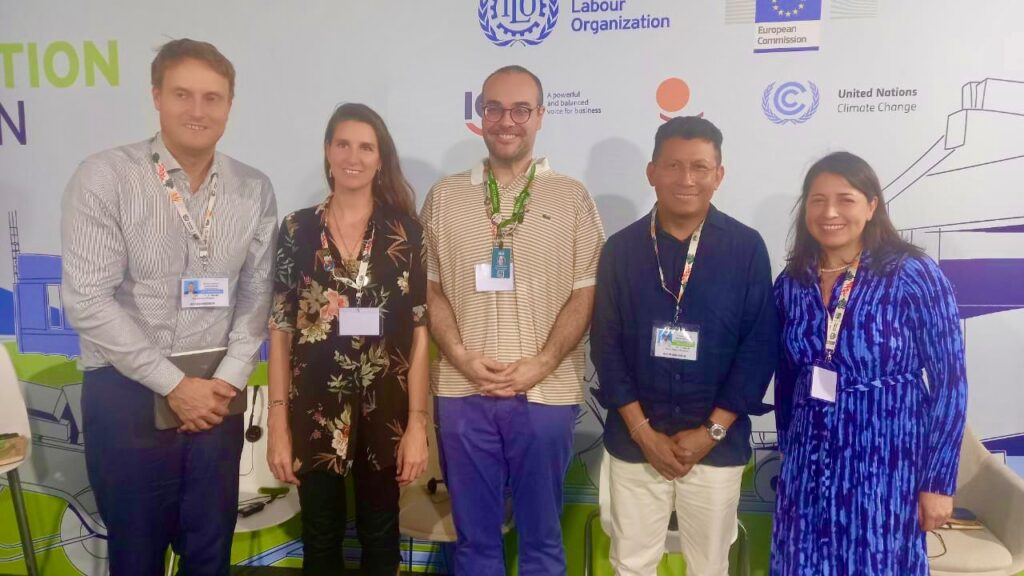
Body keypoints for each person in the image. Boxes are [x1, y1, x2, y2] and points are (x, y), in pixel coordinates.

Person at [61, 39, 277, 575]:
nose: (197, 110)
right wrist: (174, 386)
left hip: (217, 398)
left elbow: (257, 296)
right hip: (127, 393)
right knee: (136, 555)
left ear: (230, 105)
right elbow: (88, 299)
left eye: (212, 97)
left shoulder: (253, 188)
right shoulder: (106, 176)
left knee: (210, 552)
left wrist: (224, 382)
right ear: (157, 96)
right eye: (183, 94)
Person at [421, 65, 605, 574]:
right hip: (462, 389)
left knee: (541, 539)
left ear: (540, 116)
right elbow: (430, 289)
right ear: (479, 114)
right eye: (495, 108)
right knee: (474, 541)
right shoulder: (444, 197)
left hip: (545, 393)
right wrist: (460, 357)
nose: (507, 121)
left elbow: (586, 293)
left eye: (521, 109)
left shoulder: (573, 198)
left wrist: (541, 363)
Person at [592, 116, 777, 576]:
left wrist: (710, 432)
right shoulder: (620, 249)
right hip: (634, 442)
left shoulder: (746, 249)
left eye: (699, 167)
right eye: (673, 165)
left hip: (716, 445)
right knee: (631, 564)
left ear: (719, 174)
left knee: (709, 566)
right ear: (652, 172)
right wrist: (642, 433)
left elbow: (758, 348)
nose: (686, 179)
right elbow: (606, 346)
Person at [771, 151, 968, 575]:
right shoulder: (792, 282)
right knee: (802, 562)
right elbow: (785, 375)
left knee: (877, 561)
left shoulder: (912, 274)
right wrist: (788, 445)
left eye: (845, 199)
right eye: (818, 200)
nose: (830, 212)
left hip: (886, 460)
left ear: (872, 206)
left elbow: (951, 383)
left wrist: (937, 482)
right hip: (808, 459)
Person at [265, 103, 429, 576]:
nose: (353, 157)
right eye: (343, 144)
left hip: (386, 411)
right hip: (314, 411)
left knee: (381, 537)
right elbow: (280, 329)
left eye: (366, 147)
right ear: (327, 151)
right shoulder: (297, 229)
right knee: (320, 538)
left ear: (380, 159)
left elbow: (419, 332)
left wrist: (417, 424)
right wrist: (278, 423)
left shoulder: (407, 233)